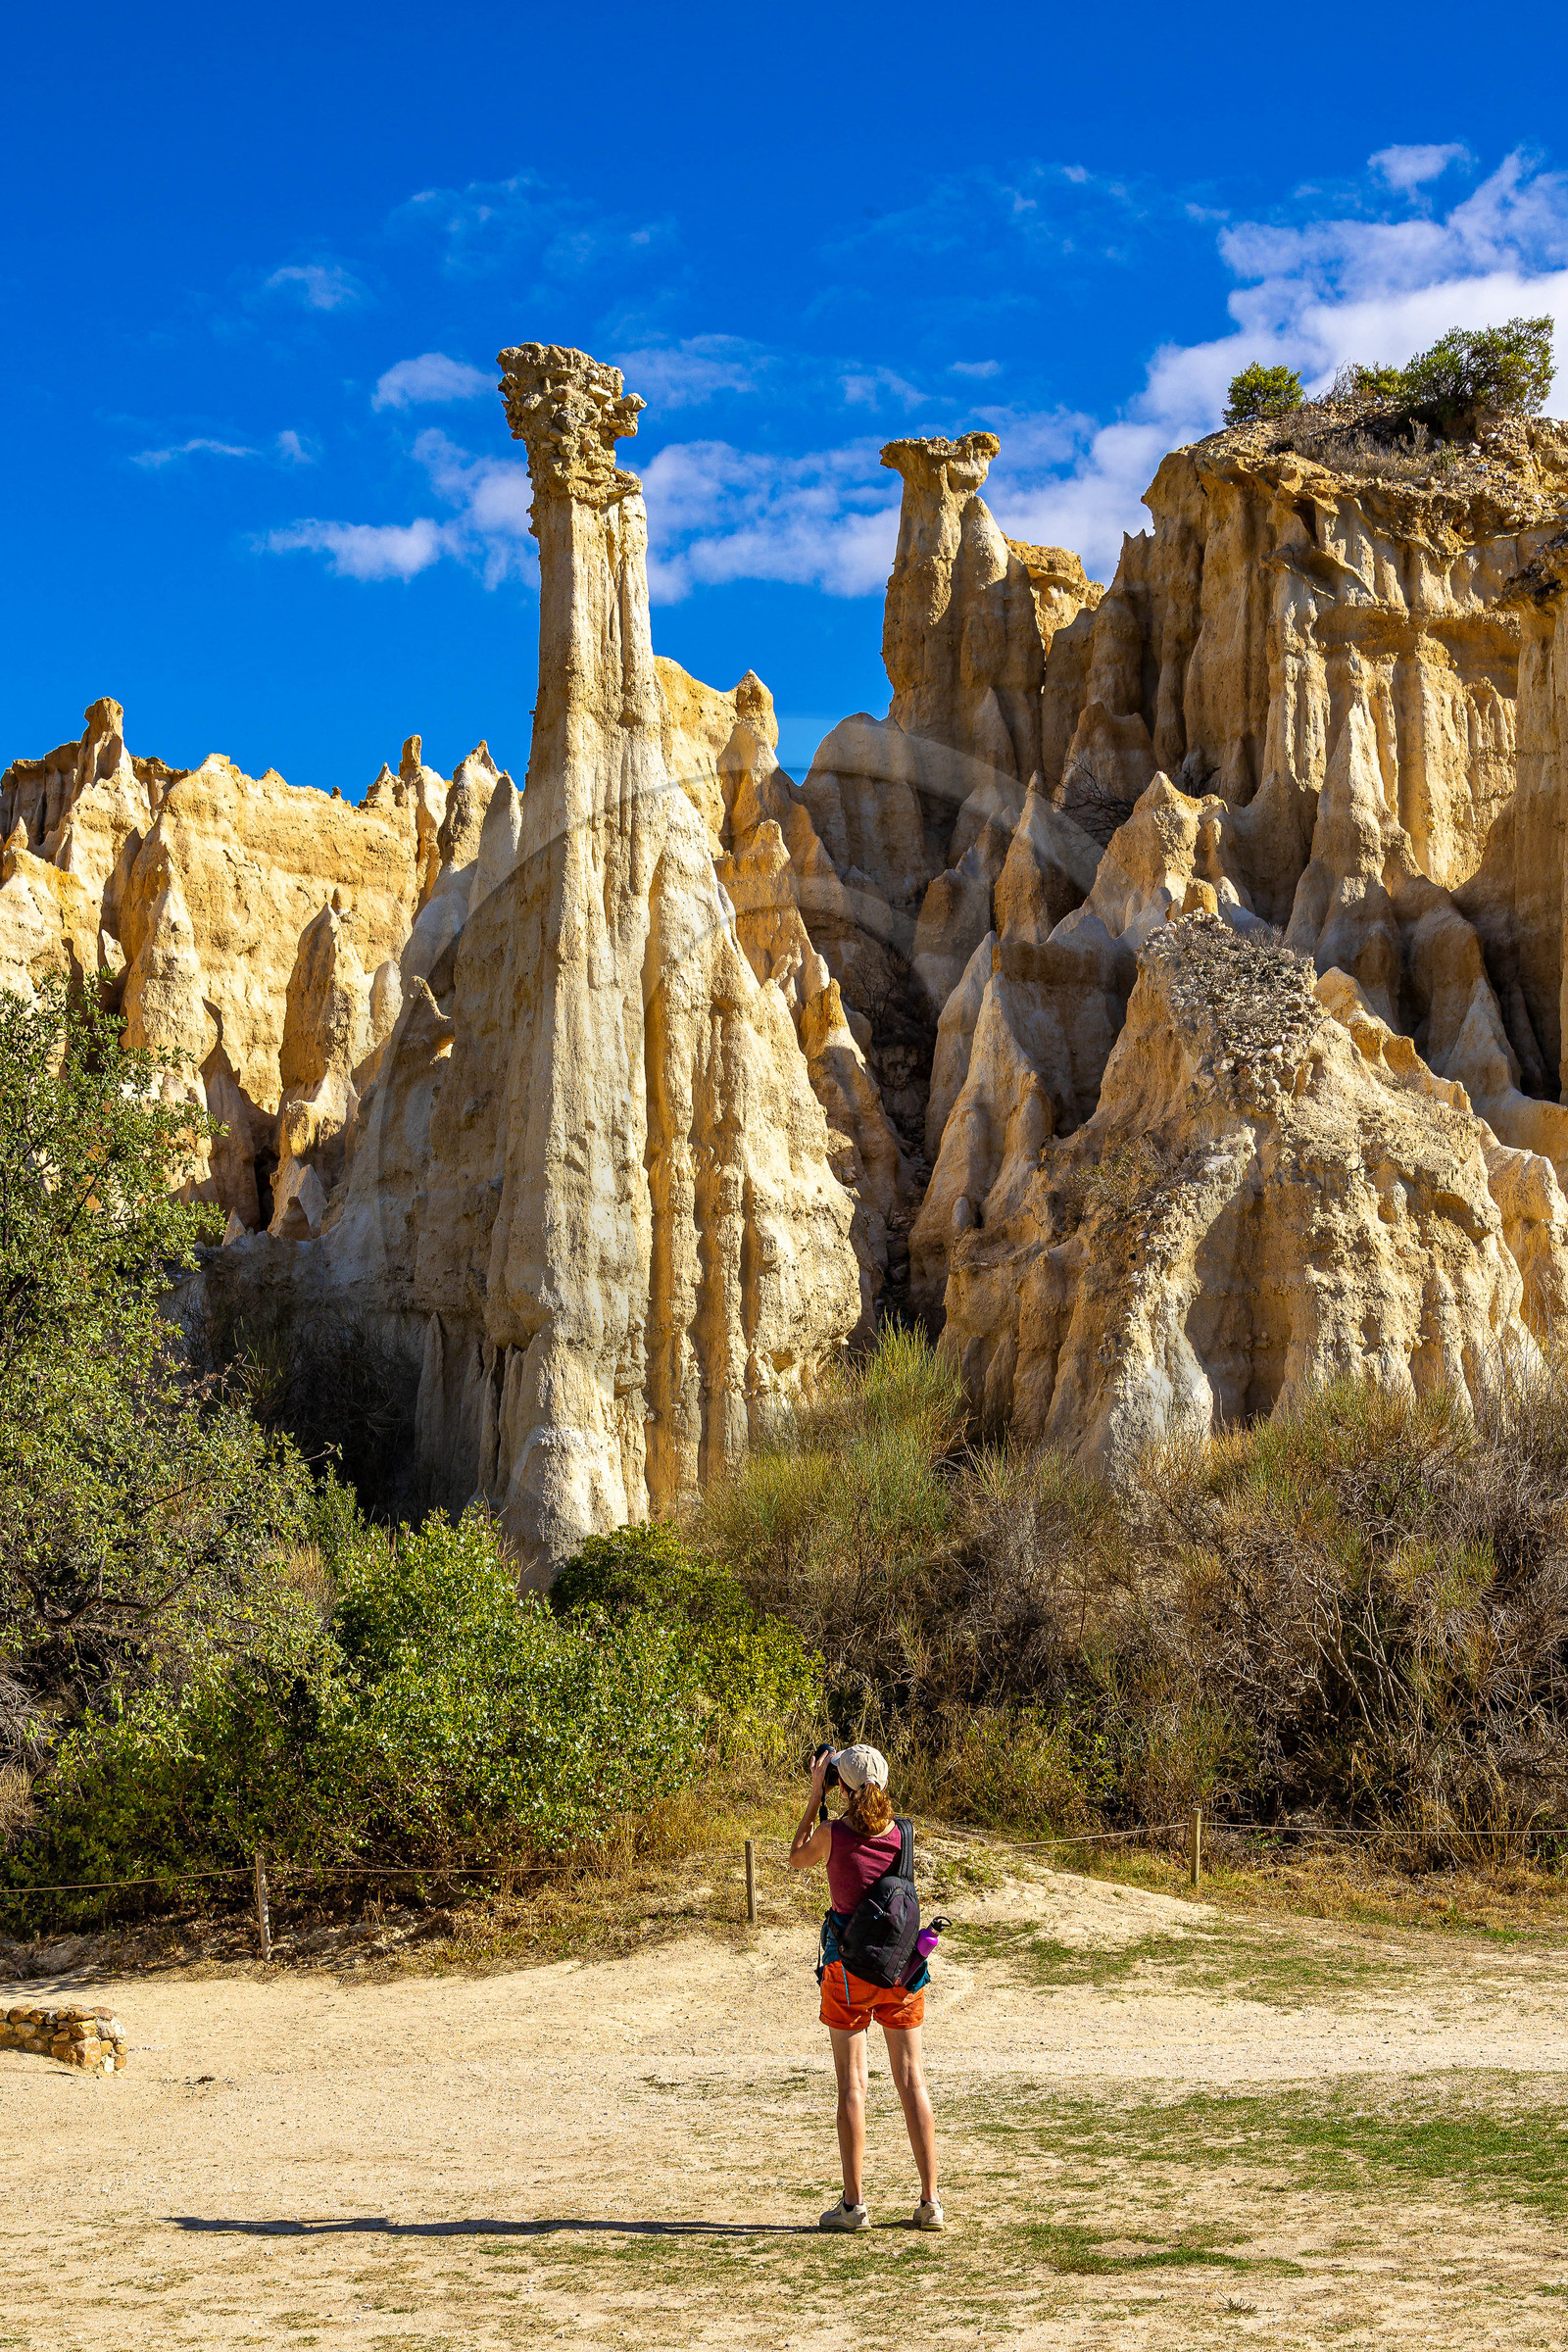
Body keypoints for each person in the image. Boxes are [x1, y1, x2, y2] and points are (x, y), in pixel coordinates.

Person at [789, 1741, 943, 2233]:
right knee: (912, 2080)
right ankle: (930, 2201)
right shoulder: (904, 1835)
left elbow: (796, 1859)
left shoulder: (832, 1834)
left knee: (852, 2085)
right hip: (901, 1971)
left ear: (843, 1786)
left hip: (848, 1972)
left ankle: (853, 2206)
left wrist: (815, 1795)